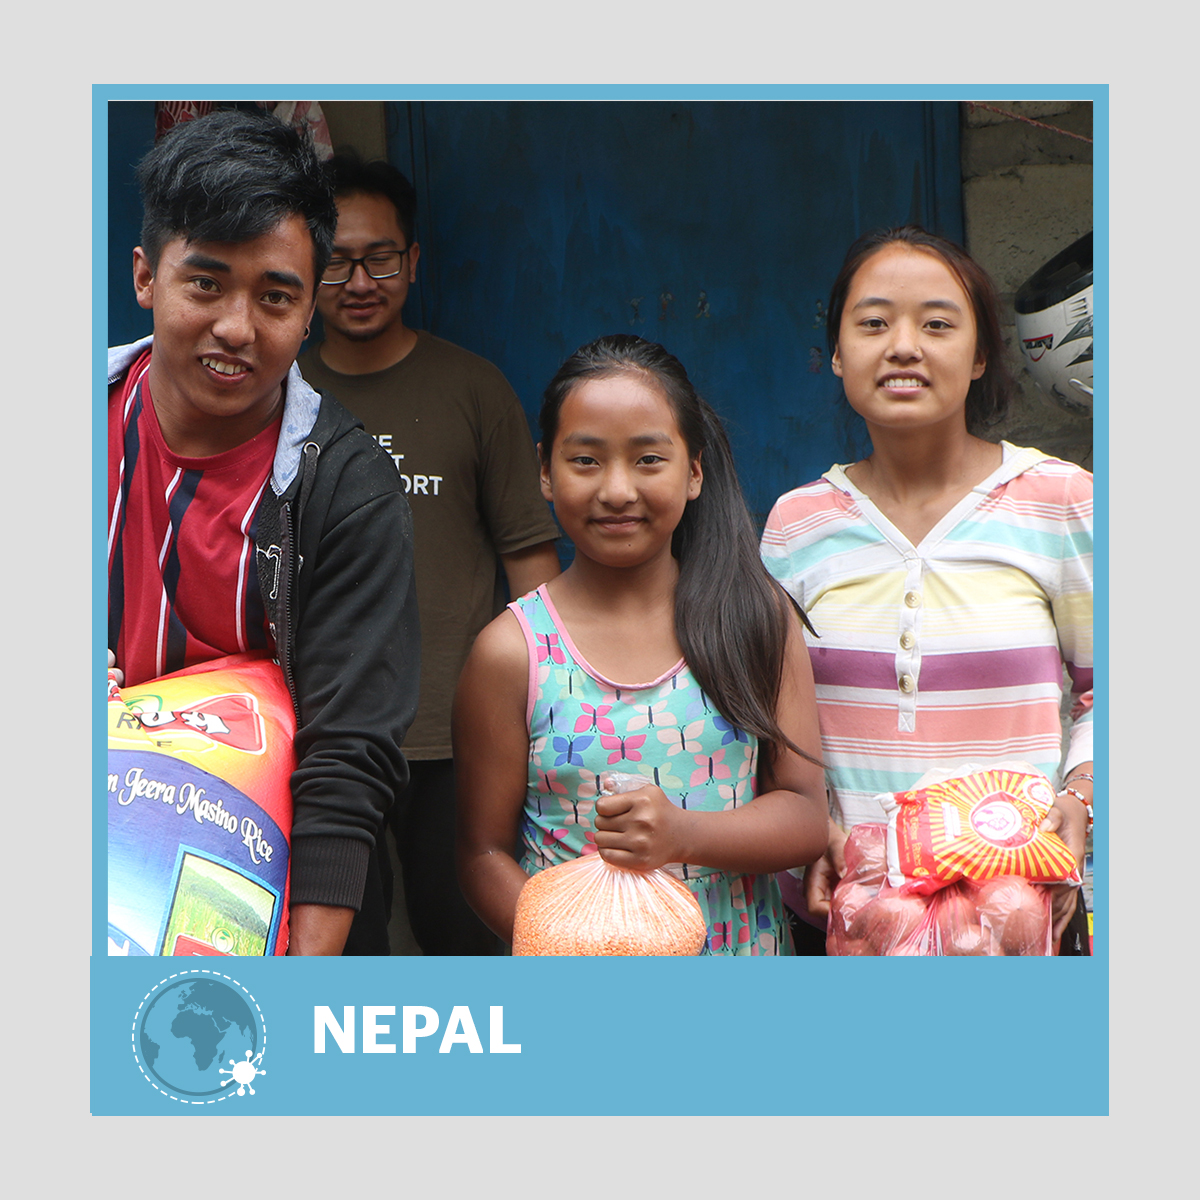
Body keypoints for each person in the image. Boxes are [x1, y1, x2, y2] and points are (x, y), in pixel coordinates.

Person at [107, 110, 419, 956]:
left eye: (275, 296)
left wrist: (298, 986)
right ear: (146, 276)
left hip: (276, 897)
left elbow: (348, 755)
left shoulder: (347, 487)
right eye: (206, 284)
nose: (237, 327)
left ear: (310, 310)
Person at [759, 225, 1093, 955]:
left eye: (937, 324)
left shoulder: (1059, 501)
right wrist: (810, 828)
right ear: (838, 353)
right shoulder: (796, 524)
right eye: (874, 323)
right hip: (852, 917)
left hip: (1017, 916)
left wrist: (1082, 798)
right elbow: (768, 716)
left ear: (979, 355)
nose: (904, 346)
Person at [455, 334, 829, 954]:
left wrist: (681, 834)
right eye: (586, 461)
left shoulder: (753, 619)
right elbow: (481, 853)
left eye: (649, 459)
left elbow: (805, 815)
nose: (617, 490)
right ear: (544, 471)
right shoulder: (512, 652)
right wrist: (566, 951)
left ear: (694, 470)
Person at [298, 152, 560, 955]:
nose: (360, 281)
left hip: (459, 731)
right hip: (319, 733)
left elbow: (530, 562)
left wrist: (548, 707)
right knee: (341, 946)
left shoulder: (473, 389)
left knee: (467, 936)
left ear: (413, 261)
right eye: (336, 261)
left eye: (380, 258)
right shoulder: (279, 393)